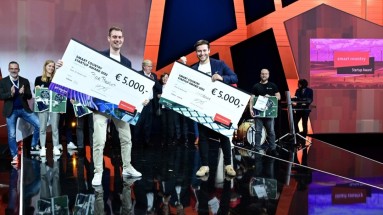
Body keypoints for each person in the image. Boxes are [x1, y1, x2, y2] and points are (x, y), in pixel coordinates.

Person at [56, 26, 142, 186]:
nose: (117, 39)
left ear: (123, 39)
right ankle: (98, 172)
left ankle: (128, 167)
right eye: (114, 37)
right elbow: (83, 73)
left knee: (126, 139)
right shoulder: (99, 57)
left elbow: (129, 88)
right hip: (100, 106)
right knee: (99, 140)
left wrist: (139, 99)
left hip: (119, 107)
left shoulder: (127, 62)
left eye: (120, 37)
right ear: (109, 39)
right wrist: (63, 67)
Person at [191, 40, 237, 178]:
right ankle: (204, 166)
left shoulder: (219, 64)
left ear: (209, 50)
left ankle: (228, 165)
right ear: (196, 52)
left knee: (223, 135)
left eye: (204, 50)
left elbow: (235, 77)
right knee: (203, 137)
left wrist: (222, 78)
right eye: (199, 51)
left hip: (219, 107)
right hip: (202, 107)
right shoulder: (193, 69)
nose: (202, 53)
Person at [0, 61, 40, 165]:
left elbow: (29, 96)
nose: (14, 70)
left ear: (19, 69)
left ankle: (33, 145)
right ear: (9, 69)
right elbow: (1, 96)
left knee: (39, 124)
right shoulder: (3, 82)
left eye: (16, 68)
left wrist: (24, 92)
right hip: (11, 111)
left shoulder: (24, 81)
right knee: (12, 135)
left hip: (23, 109)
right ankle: (14, 156)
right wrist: (10, 93)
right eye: (12, 68)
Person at [249, 68, 280, 156]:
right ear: (260, 75)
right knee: (258, 131)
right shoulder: (256, 86)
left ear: (268, 75)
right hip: (258, 113)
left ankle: (272, 149)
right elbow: (252, 98)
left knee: (271, 132)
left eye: (266, 74)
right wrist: (251, 109)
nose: (264, 75)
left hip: (269, 113)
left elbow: (278, 97)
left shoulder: (273, 85)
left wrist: (270, 97)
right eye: (262, 74)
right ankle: (257, 148)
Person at [34, 60, 61, 157]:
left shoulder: (57, 79)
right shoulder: (38, 79)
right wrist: (36, 88)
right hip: (42, 106)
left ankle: (55, 147)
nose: (51, 68)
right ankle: (42, 148)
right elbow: (36, 93)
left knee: (55, 128)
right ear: (45, 66)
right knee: (42, 128)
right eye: (49, 66)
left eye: (53, 67)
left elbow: (60, 93)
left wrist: (61, 106)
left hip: (54, 106)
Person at [134, 59, 162, 146]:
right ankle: (135, 141)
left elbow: (159, 88)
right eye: (149, 66)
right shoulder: (138, 74)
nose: (151, 68)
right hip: (140, 103)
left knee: (148, 123)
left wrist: (154, 81)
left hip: (150, 103)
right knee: (138, 122)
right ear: (144, 66)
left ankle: (146, 141)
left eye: (151, 66)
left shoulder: (153, 75)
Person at [158, 73, 175, 147]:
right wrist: (158, 96)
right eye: (163, 77)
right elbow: (156, 95)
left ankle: (170, 140)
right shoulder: (160, 87)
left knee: (170, 125)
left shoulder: (172, 87)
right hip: (162, 108)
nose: (165, 79)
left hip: (170, 108)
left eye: (166, 77)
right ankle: (163, 140)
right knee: (163, 125)